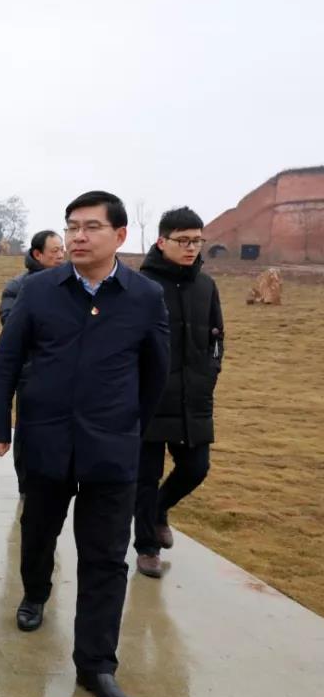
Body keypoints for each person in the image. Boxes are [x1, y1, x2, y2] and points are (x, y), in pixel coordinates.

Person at [0, 190, 169, 697]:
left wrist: (129, 426)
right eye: (71, 227)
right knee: (38, 531)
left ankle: (97, 665)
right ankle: (34, 593)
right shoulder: (40, 290)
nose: (78, 237)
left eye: (91, 227)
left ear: (120, 235)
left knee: (106, 557)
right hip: (46, 439)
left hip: (111, 449)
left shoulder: (144, 296)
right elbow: (7, 358)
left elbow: (156, 372)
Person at [133, 207, 223, 578]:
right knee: (145, 477)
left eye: (197, 241)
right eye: (182, 240)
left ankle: (160, 509)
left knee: (196, 467)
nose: (191, 248)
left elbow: (217, 338)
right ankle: (147, 548)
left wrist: (210, 374)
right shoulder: (141, 286)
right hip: (150, 399)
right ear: (162, 241)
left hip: (194, 397)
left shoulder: (207, 286)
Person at [0, 230, 65, 498]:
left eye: (62, 250)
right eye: (55, 251)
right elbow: (11, 325)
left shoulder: (73, 284)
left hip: (66, 373)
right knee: (28, 432)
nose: (61, 255)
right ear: (38, 254)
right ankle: (26, 485)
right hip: (31, 372)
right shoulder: (18, 287)